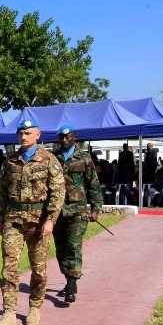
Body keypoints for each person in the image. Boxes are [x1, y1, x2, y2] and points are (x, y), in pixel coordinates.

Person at [0, 118, 64, 325]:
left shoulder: (49, 160)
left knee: (38, 268)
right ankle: (9, 312)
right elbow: (2, 192)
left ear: (38, 135)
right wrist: (0, 219)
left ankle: (34, 307)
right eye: (21, 133)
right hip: (13, 219)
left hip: (39, 221)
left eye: (28, 133)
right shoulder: (11, 161)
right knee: (9, 267)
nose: (23, 137)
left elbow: (58, 192)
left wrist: (51, 220)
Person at [52, 125, 103, 303]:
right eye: (61, 137)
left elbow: (93, 184)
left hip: (78, 210)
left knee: (73, 247)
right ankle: (68, 279)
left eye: (68, 136)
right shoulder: (53, 158)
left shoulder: (84, 158)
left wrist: (96, 208)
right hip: (57, 211)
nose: (64, 139)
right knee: (61, 249)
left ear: (75, 137)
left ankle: (72, 285)